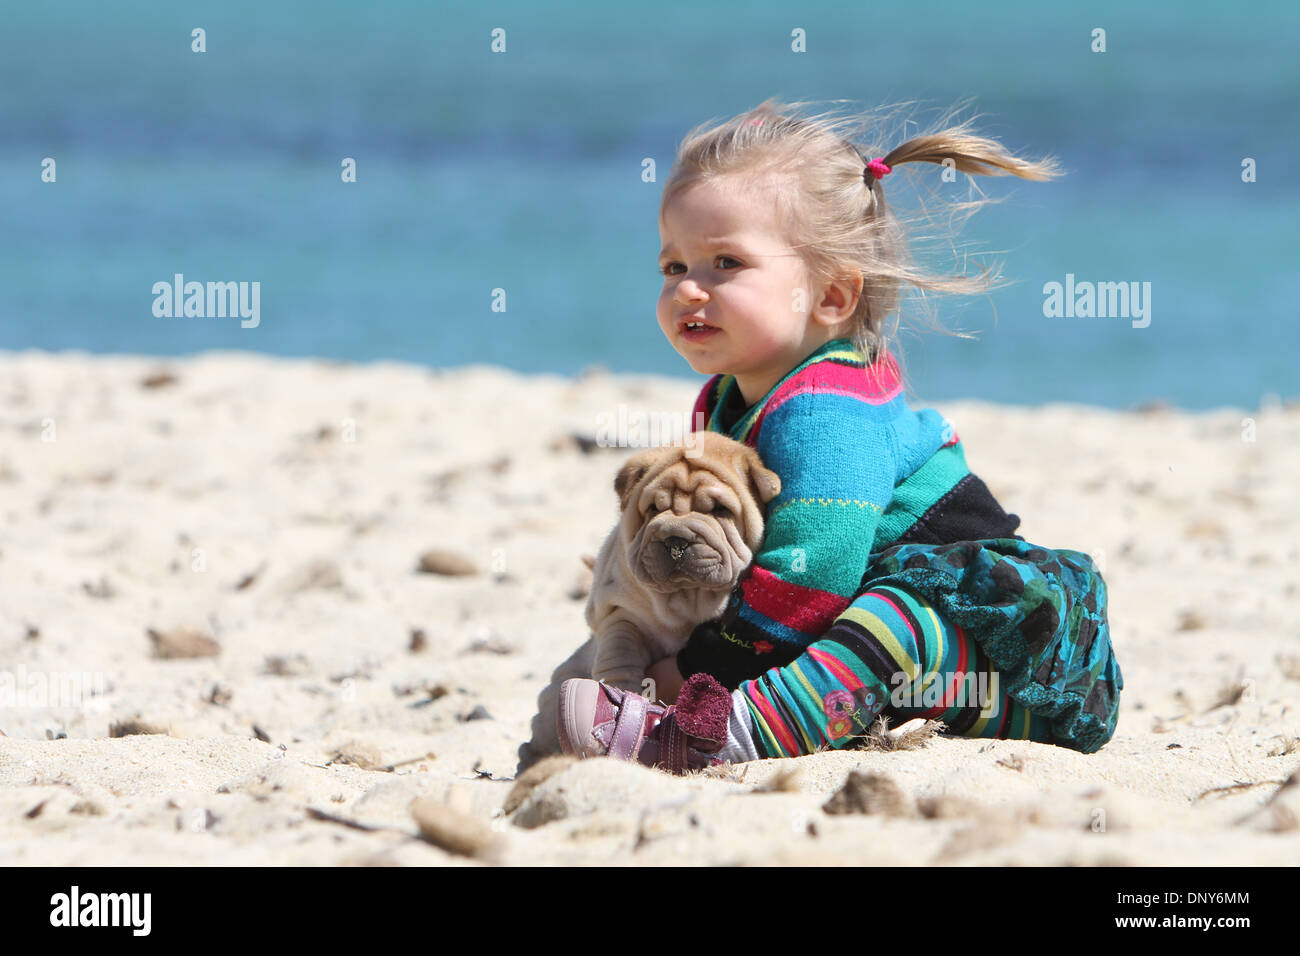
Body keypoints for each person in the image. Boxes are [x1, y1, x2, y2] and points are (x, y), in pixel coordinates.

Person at [556, 98, 1123, 773]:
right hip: (902, 672)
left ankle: (724, 732)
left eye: (724, 264)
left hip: (1009, 662)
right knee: (852, 623)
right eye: (674, 268)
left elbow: (812, 579)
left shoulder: (826, 407)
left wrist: (691, 671)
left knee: (890, 617)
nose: (687, 290)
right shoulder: (730, 399)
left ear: (830, 297)